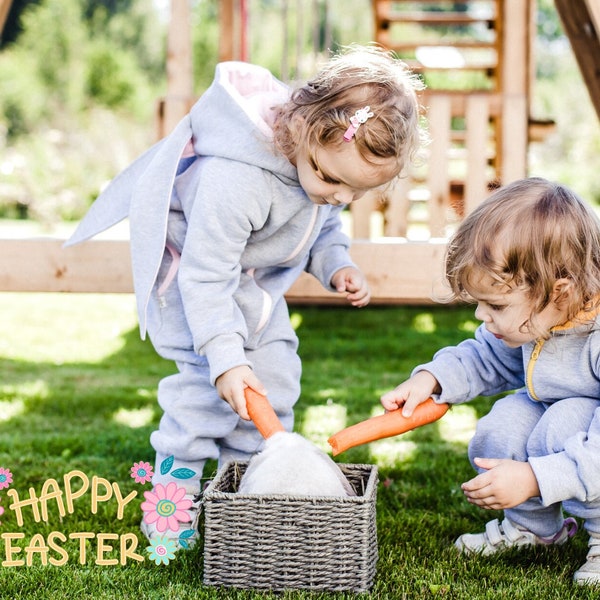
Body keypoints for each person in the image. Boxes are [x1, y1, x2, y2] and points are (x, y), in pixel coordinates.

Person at [67, 44, 425, 547]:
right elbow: (205, 276)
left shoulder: (323, 173)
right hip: (196, 295)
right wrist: (224, 358)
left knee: (272, 390)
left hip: (253, 293)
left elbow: (321, 227)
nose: (340, 198)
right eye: (332, 180)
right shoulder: (236, 179)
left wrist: (336, 264)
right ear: (302, 129)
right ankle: (170, 517)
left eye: (356, 193)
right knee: (202, 403)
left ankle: (248, 507)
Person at [380, 177, 600, 585]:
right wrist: (432, 379)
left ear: (560, 292)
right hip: (567, 429)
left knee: (563, 420)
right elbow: (484, 358)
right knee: (504, 422)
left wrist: (534, 477)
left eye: (495, 304)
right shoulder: (539, 316)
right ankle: (533, 529)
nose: (482, 316)